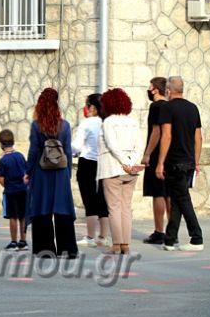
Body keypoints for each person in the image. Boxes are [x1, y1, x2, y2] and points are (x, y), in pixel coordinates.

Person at [24, 88, 77, 258]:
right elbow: (68, 151)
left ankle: (44, 249)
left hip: (42, 171)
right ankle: (68, 248)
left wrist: (28, 171)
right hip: (60, 172)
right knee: (62, 209)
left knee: (42, 208)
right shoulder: (65, 125)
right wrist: (67, 172)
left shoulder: (36, 125)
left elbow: (33, 151)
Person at [155, 76, 204, 252]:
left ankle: (196, 237)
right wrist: (196, 161)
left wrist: (160, 163)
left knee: (182, 199)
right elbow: (198, 137)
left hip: (174, 161)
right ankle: (170, 239)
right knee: (176, 199)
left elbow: (166, 136)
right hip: (188, 161)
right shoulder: (193, 108)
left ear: (168, 90)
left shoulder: (167, 108)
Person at [96, 88, 144, 255]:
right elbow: (139, 145)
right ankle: (125, 244)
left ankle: (116, 244)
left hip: (112, 168)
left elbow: (112, 144)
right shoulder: (133, 121)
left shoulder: (108, 122)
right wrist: (130, 163)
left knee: (114, 207)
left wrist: (124, 162)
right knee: (126, 207)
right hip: (131, 170)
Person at [72, 93, 110, 248]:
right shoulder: (106, 122)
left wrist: (69, 150)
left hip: (87, 162)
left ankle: (90, 236)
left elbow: (77, 146)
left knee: (89, 200)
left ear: (92, 107)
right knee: (102, 200)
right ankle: (103, 236)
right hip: (103, 163)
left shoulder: (86, 123)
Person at [141, 77, 171, 245]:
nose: (149, 90)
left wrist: (147, 153)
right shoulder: (170, 106)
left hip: (157, 153)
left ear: (155, 89)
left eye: (150, 86)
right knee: (168, 193)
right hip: (169, 154)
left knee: (158, 193)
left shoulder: (156, 106)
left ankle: (159, 231)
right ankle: (171, 230)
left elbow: (156, 131)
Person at [0, 129, 28, 251]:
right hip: (23, 189)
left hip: (11, 191)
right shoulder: (20, 156)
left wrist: (8, 186)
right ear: (13, 142)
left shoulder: (3, 160)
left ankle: (14, 241)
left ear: (1, 143)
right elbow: (26, 172)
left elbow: (0, 178)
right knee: (23, 216)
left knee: (13, 216)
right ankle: (23, 241)